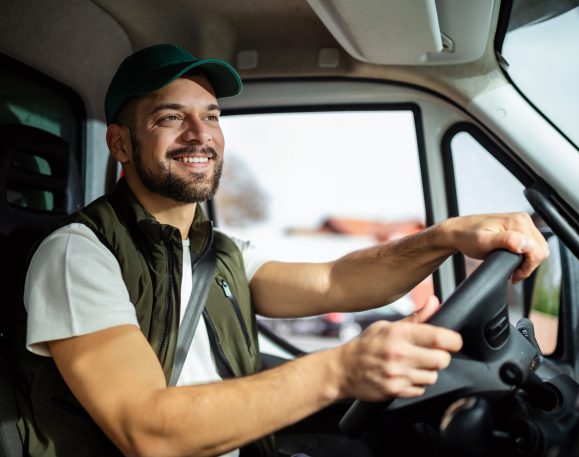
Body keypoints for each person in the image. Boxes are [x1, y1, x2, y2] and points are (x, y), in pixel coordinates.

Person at [16, 44, 548, 457]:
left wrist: (445, 236)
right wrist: (341, 370)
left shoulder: (217, 251)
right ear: (120, 144)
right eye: (170, 117)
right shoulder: (78, 255)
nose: (201, 135)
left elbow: (337, 282)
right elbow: (147, 432)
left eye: (213, 115)